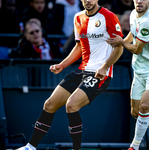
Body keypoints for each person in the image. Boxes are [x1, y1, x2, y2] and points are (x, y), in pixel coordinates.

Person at [17, 0, 123, 150]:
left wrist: (105, 67)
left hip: (100, 74)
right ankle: (30, 147)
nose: (88, 1)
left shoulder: (109, 16)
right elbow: (79, 46)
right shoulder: (78, 17)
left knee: (71, 105)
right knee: (49, 104)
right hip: (82, 70)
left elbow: (119, 47)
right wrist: (62, 65)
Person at [106, 0, 149, 150]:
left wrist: (121, 42)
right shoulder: (134, 14)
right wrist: (120, 41)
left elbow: (136, 49)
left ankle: (134, 147)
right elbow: (132, 34)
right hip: (139, 70)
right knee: (136, 112)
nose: (139, 1)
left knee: (144, 106)